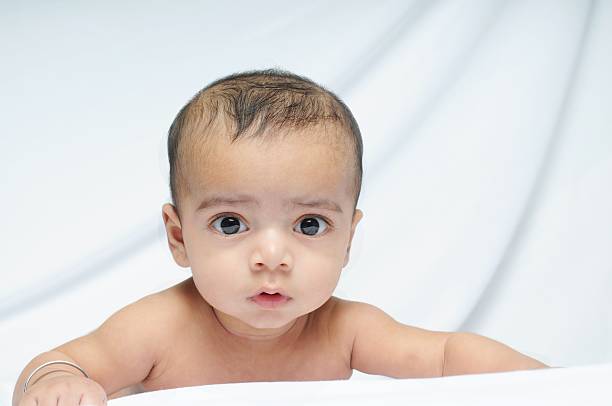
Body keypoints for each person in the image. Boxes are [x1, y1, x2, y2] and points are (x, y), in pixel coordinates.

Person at [13, 69, 548, 406]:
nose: (272, 256)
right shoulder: (158, 328)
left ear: (348, 239)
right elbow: (55, 362)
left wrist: (552, 385)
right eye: (230, 223)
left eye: (309, 225)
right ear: (178, 237)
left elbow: (447, 356)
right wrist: (59, 384)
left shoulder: (345, 329)